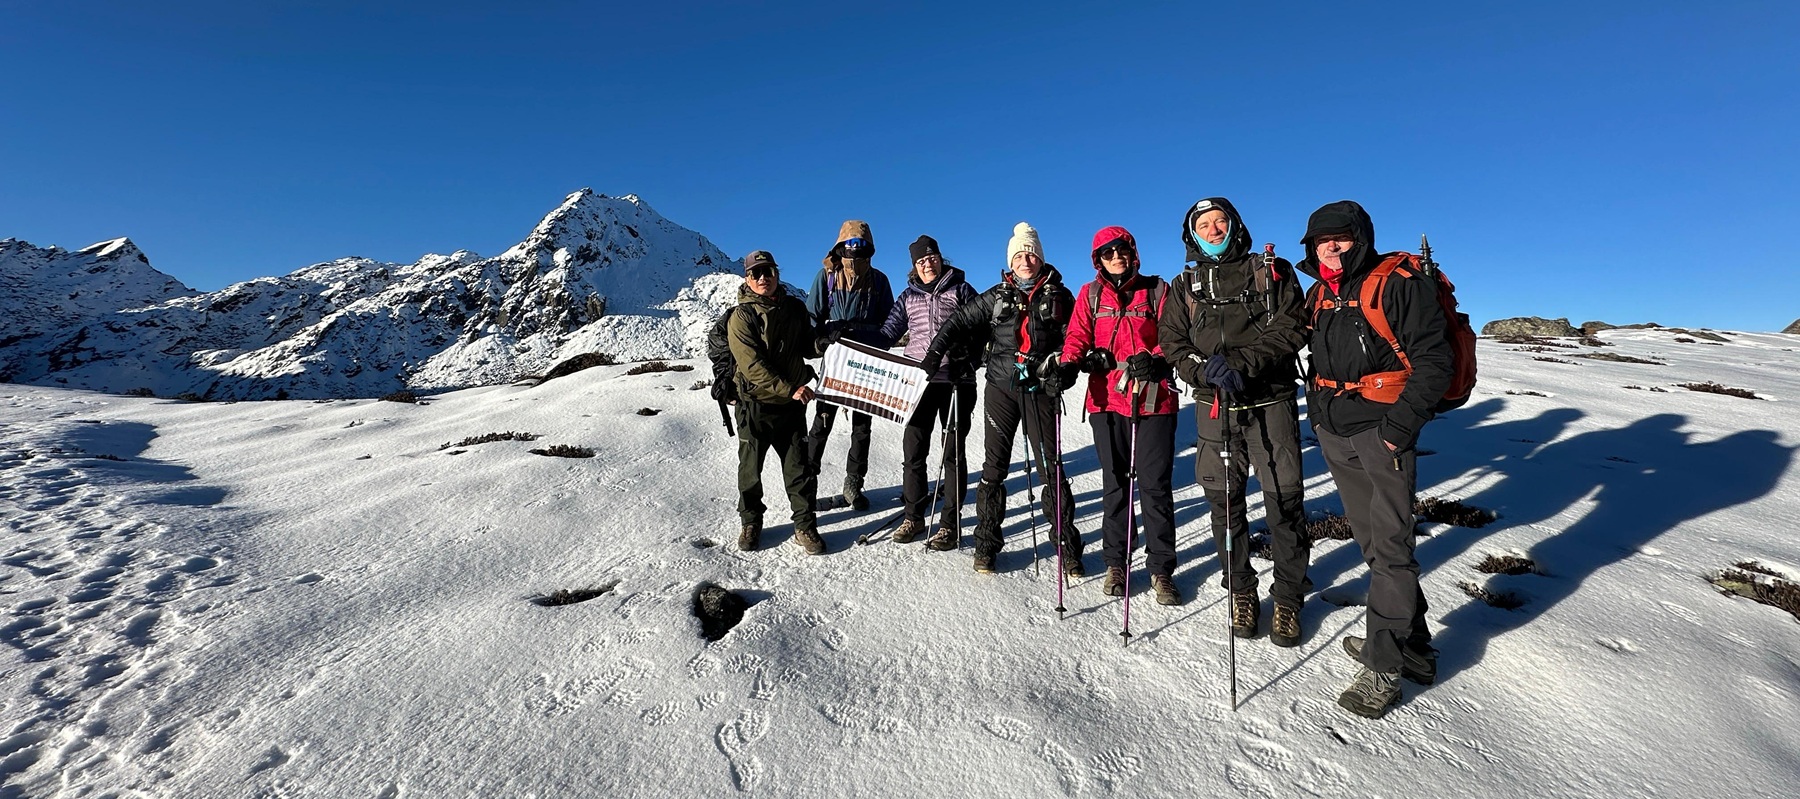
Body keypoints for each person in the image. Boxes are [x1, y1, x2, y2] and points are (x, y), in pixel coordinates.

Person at [1294, 201, 1452, 720]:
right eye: (1321, 241)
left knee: (1391, 545)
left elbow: (1434, 362)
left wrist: (1396, 432)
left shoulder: (1397, 282)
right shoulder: (1320, 294)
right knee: (1369, 539)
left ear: (1360, 237)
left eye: (1340, 238)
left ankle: (1383, 665)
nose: (1331, 247)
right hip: (1336, 432)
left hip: (1381, 433)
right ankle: (1414, 647)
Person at [1158, 197, 1310, 639]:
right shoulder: (1183, 284)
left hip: (1269, 399)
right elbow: (1172, 340)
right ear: (1192, 234)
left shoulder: (1270, 270)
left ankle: (1288, 597)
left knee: (1284, 501)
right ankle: (1241, 588)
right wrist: (1200, 368)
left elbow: (1292, 326)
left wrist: (1242, 362)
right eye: (1202, 224)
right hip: (1214, 405)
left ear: (1234, 224)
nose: (1212, 229)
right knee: (1223, 502)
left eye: (1219, 221)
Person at [918, 222, 1078, 574]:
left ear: (1040, 258)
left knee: (1050, 467)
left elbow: (1076, 340)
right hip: (1001, 388)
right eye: (1020, 255)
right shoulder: (996, 295)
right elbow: (958, 321)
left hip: (1040, 388)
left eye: (1031, 254)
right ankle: (986, 545)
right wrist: (935, 354)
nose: (1026, 260)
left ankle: (1066, 545)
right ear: (1011, 259)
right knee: (994, 468)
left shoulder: (1060, 296)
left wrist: (1066, 371)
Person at [1055, 226, 1181, 602]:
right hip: (1107, 401)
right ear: (1098, 260)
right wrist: (1068, 364)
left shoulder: (1157, 290)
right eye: (1107, 253)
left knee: (1155, 487)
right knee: (1115, 485)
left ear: (1132, 251)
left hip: (1153, 399)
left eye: (1121, 250)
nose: (1115, 257)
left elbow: (1174, 337)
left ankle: (1160, 569)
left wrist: (1158, 361)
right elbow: (1077, 336)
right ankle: (1117, 563)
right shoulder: (1089, 295)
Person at [874, 235, 980, 545]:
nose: (927, 263)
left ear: (940, 258)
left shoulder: (961, 290)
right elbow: (887, 334)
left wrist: (970, 356)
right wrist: (850, 340)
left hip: (957, 380)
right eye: (921, 261)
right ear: (914, 266)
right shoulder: (908, 297)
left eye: (932, 257)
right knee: (914, 452)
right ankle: (913, 517)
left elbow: (982, 327)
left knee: (952, 454)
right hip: (917, 383)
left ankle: (949, 522)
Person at [728, 251, 829, 556]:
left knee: (798, 469)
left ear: (776, 273)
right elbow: (752, 365)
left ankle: (804, 525)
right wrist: (791, 389)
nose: (763, 278)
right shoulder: (741, 317)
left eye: (768, 271)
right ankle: (751, 521)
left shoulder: (795, 308)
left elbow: (806, 347)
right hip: (755, 405)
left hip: (791, 407)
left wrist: (822, 343)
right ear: (747, 279)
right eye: (756, 273)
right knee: (750, 470)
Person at [803, 221, 896, 511]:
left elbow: (890, 324)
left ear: (869, 247)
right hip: (836, 360)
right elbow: (811, 319)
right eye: (850, 244)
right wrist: (821, 342)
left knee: (862, 426)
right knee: (822, 423)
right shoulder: (827, 277)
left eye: (860, 244)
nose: (855, 249)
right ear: (841, 245)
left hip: (866, 361)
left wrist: (873, 342)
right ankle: (807, 483)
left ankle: (854, 483)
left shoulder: (879, 281)